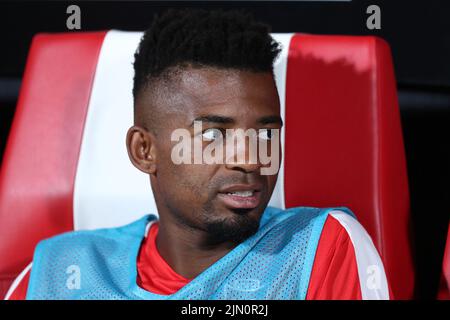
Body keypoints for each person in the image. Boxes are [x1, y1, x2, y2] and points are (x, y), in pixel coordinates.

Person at [6, 9, 390, 300]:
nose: (252, 159)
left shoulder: (318, 247)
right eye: (214, 135)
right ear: (144, 151)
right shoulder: (55, 270)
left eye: (266, 132)